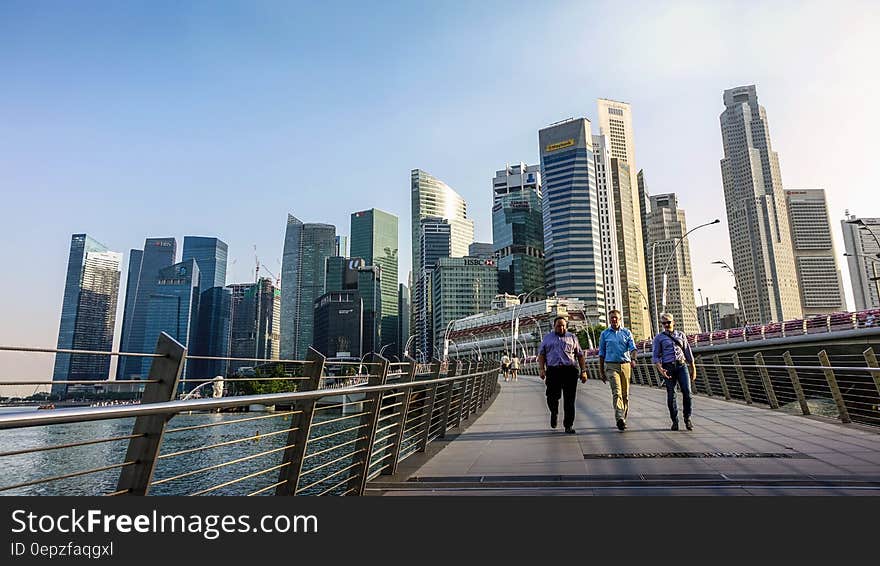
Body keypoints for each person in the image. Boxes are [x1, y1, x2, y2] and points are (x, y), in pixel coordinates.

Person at [537, 316, 588, 434]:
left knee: (570, 399)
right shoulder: (547, 338)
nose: (561, 328)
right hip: (553, 371)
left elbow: (579, 355)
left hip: (570, 370)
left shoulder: (572, 337)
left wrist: (583, 371)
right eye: (558, 326)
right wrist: (541, 369)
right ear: (554, 326)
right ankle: (554, 413)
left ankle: (568, 425)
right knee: (552, 397)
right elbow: (541, 355)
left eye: (563, 326)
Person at [652, 313, 696, 431]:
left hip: (682, 366)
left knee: (687, 392)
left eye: (668, 322)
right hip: (668, 367)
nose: (666, 325)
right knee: (671, 395)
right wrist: (660, 369)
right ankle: (674, 420)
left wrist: (693, 368)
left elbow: (687, 351)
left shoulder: (681, 335)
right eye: (664, 323)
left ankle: (687, 418)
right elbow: (655, 356)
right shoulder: (659, 338)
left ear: (673, 322)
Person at [598, 309, 638, 431]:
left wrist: (634, 359)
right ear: (609, 320)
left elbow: (633, 348)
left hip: (625, 365)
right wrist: (601, 371)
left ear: (620, 319)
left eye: (616, 317)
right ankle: (619, 417)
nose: (614, 319)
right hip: (611, 366)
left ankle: (623, 418)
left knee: (625, 395)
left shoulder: (627, 333)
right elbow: (601, 354)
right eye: (612, 318)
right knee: (617, 392)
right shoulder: (604, 334)